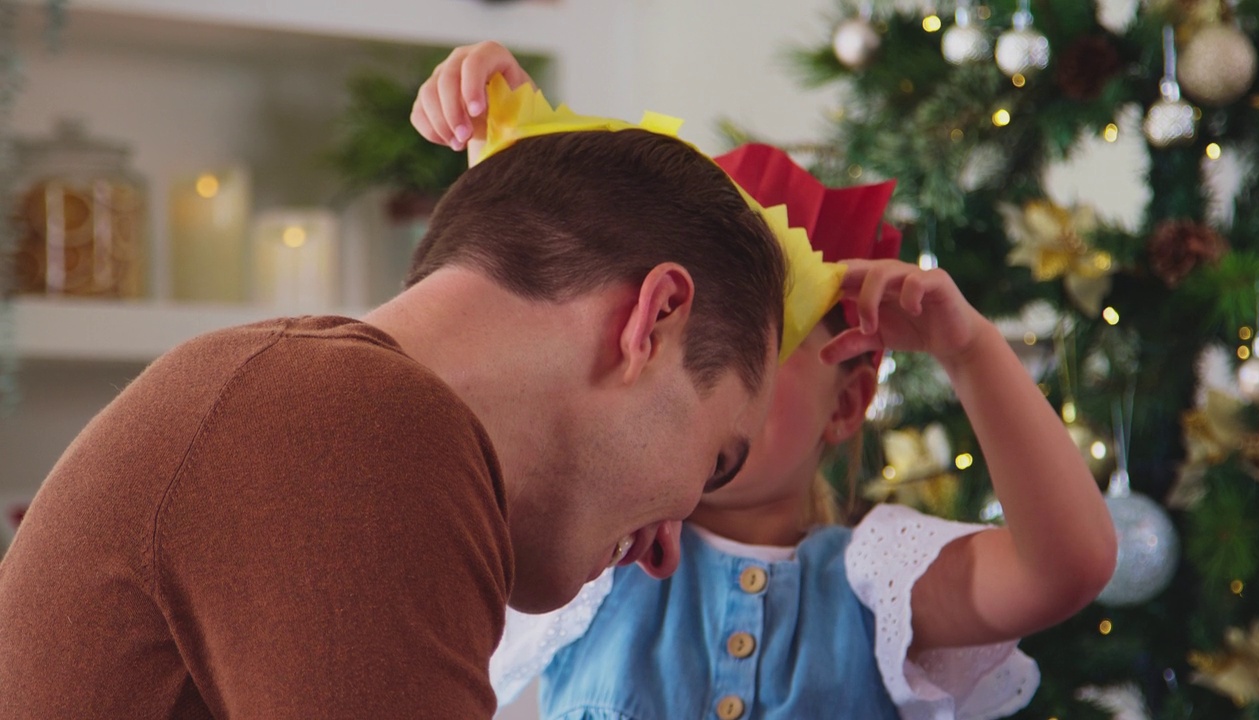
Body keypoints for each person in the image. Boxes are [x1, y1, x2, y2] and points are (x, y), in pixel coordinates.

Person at [0, 79, 795, 718]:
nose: (667, 551)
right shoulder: (352, 420)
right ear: (653, 320)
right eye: (717, 462)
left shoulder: (303, 397)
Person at [414, 42, 1119, 719]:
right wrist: (498, 142)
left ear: (847, 403)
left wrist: (970, 352)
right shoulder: (595, 558)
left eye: (764, 350)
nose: (704, 372)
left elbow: (1068, 567)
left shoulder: (878, 585)